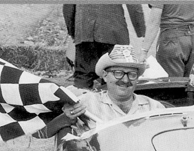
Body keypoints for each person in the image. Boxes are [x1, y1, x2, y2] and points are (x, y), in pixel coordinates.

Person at [33, 45, 165, 139]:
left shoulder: (154, 107)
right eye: (118, 73)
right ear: (105, 76)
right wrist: (67, 118)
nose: (125, 80)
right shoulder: (86, 103)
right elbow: (40, 133)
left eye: (132, 74)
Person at [63, 4, 146, 90]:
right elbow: (134, 5)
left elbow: (68, 6)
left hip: (84, 31)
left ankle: (81, 101)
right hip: (113, 32)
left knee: (83, 75)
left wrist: (73, 30)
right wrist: (141, 32)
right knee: (114, 75)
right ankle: (109, 102)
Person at [140, 4, 194, 77]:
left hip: (172, 38)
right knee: (190, 83)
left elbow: (154, 22)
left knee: (171, 84)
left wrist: (144, 51)